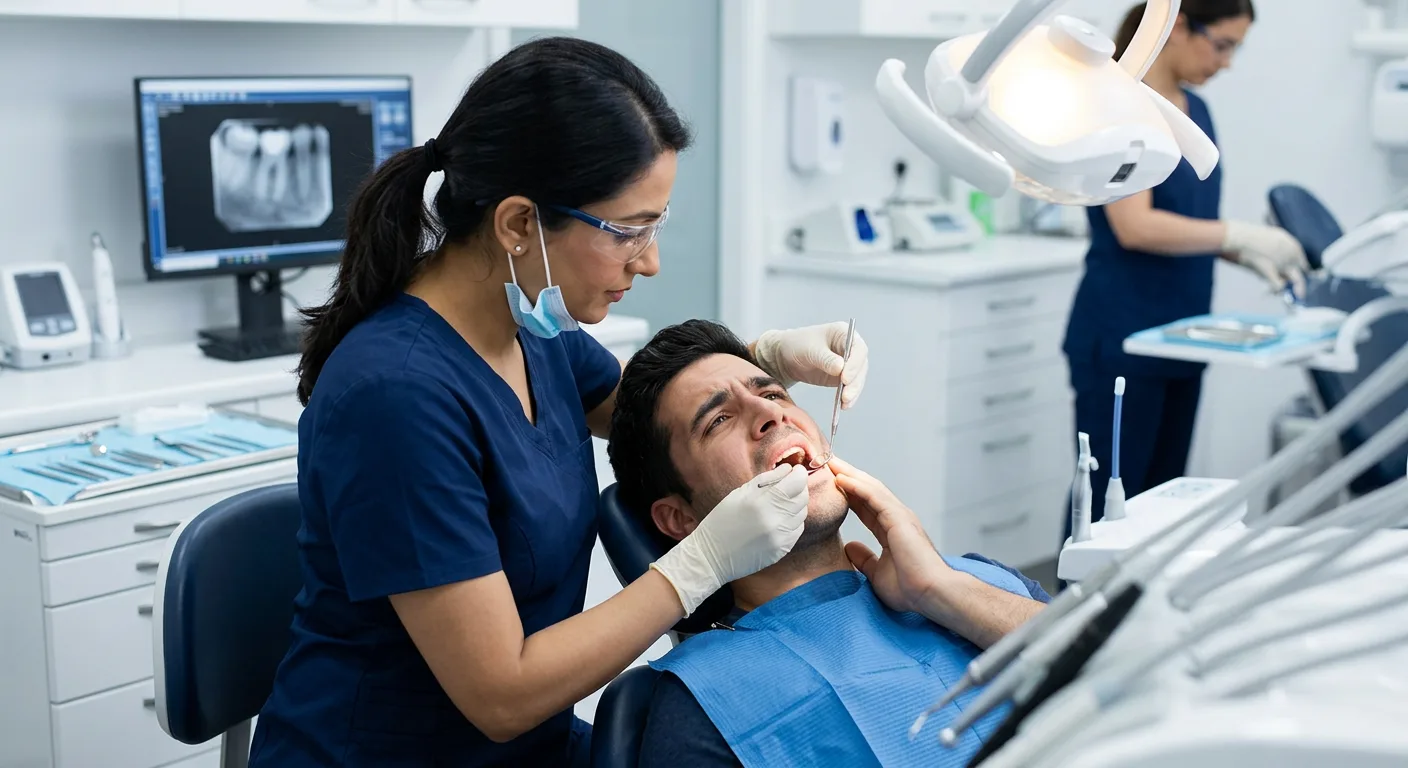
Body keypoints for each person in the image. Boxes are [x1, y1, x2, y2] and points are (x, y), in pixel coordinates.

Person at [247, 38, 870, 767]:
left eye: (656, 225)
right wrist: (701, 563)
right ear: (518, 225)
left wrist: (763, 360)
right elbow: (501, 697)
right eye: (629, 232)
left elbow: (647, 410)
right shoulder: (396, 397)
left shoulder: (530, 329)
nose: (650, 261)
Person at [606, 320, 1051, 767]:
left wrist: (942, 590)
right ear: (680, 518)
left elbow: (1099, 663)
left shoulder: (979, 582)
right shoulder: (706, 704)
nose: (770, 415)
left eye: (773, 394)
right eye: (718, 420)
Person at [1062, 0, 1306, 527]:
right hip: (1123, 339)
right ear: (1174, 25)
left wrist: (1244, 251)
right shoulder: (1120, 105)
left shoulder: (1196, 110)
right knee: (1107, 509)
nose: (1227, 62)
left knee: (1159, 509)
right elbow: (1135, 226)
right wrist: (1237, 233)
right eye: (1222, 45)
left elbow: (1189, 222)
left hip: (1184, 336)